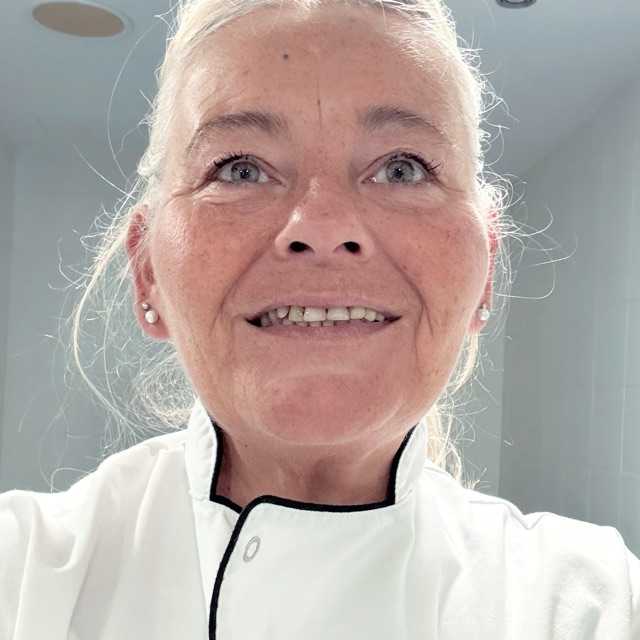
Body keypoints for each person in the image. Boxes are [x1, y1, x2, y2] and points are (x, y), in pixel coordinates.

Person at [1, 0, 639, 638]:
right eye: (240, 169)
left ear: (486, 272)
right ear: (148, 272)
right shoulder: (21, 575)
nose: (324, 226)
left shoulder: (590, 605)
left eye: (402, 169)